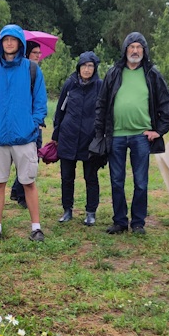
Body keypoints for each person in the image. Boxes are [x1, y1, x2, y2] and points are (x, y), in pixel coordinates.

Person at [93, 32, 169, 235]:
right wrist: (100, 133)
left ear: (144, 51)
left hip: (142, 136)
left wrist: (159, 131)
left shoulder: (152, 74)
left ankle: (138, 222)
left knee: (141, 181)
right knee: (116, 180)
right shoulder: (114, 73)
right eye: (132, 46)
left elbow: (168, 106)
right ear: (125, 49)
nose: (135, 50)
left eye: (139, 47)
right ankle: (120, 221)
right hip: (116, 135)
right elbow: (102, 104)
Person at [0, 24, 48, 243]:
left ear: (20, 43)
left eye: (13, 39)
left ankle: (36, 228)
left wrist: (33, 123)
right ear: (1, 43)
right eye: (5, 40)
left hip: (24, 137)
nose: (9, 43)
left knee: (28, 182)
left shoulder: (32, 70)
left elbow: (40, 102)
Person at [53, 51, 102, 226]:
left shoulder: (99, 86)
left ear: (95, 68)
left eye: (90, 66)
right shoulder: (70, 84)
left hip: (90, 139)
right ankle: (67, 210)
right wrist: (56, 135)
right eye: (84, 66)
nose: (87, 69)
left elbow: (104, 112)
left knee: (91, 177)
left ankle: (91, 212)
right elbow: (60, 110)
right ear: (78, 67)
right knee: (66, 177)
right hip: (68, 136)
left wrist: (101, 135)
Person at [9, 40, 44, 208]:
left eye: (39, 53)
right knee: (24, 160)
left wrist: (37, 120)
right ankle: (21, 193)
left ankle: (17, 190)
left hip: (34, 125)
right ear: (27, 54)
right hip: (22, 125)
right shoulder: (23, 73)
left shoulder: (36, 73)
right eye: (35, 52)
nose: (38, 55)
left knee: (32, 159)